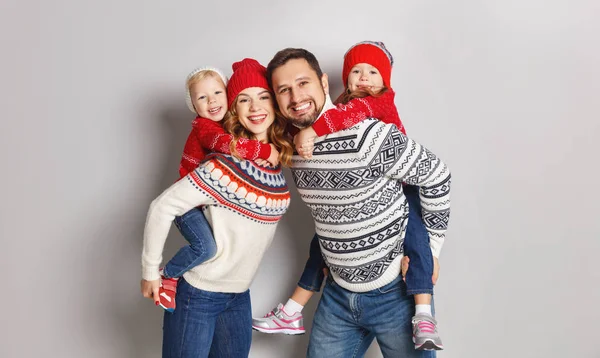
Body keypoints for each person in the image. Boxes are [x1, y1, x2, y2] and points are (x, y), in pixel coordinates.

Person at [253, 41, 443, 351]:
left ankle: (423, 312)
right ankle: (291, 311)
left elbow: (437, 175)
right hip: (337, 298)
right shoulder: (295, 146)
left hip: (394, 293)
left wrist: (432, 250)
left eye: (303, 83)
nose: (296, 96)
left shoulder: (368, 131)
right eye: (283, 90)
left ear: (324, 82)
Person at [140, 58, 293, 358]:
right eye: (244, 100)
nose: (256, 107)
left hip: (239, 296)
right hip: (199, 295)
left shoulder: (277, 166)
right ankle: (170, 275)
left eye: (263, 97)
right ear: (234, 110)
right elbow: (162, 207)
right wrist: (150, 273)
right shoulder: (223, 165)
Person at [157, 66, 281, 312]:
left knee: (218, 247)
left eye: (217, 93)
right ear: (193, 105)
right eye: (202, 97)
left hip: (206, 204)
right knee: (207, 247)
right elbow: (229, 146)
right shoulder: (205, 128)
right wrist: (266, 151)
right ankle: (167, 275)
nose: (211, 101)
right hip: (187, 205)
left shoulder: (232, 124)